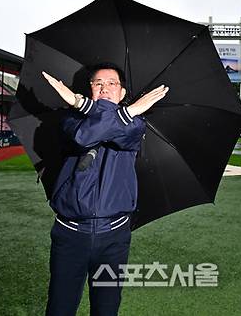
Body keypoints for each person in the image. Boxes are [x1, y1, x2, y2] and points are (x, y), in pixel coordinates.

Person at [41, 63, 168, 316]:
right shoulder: (70, 120)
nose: (105, 88)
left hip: (114, 236)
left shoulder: (135, 124)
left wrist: (85, 104)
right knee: (60, 308)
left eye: (112, 83)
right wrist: (87, 108)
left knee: (106, 309)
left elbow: (121, 132)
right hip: (70, 234)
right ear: (91, 90)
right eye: (98, 83)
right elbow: (85, 137)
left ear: (122, 93)